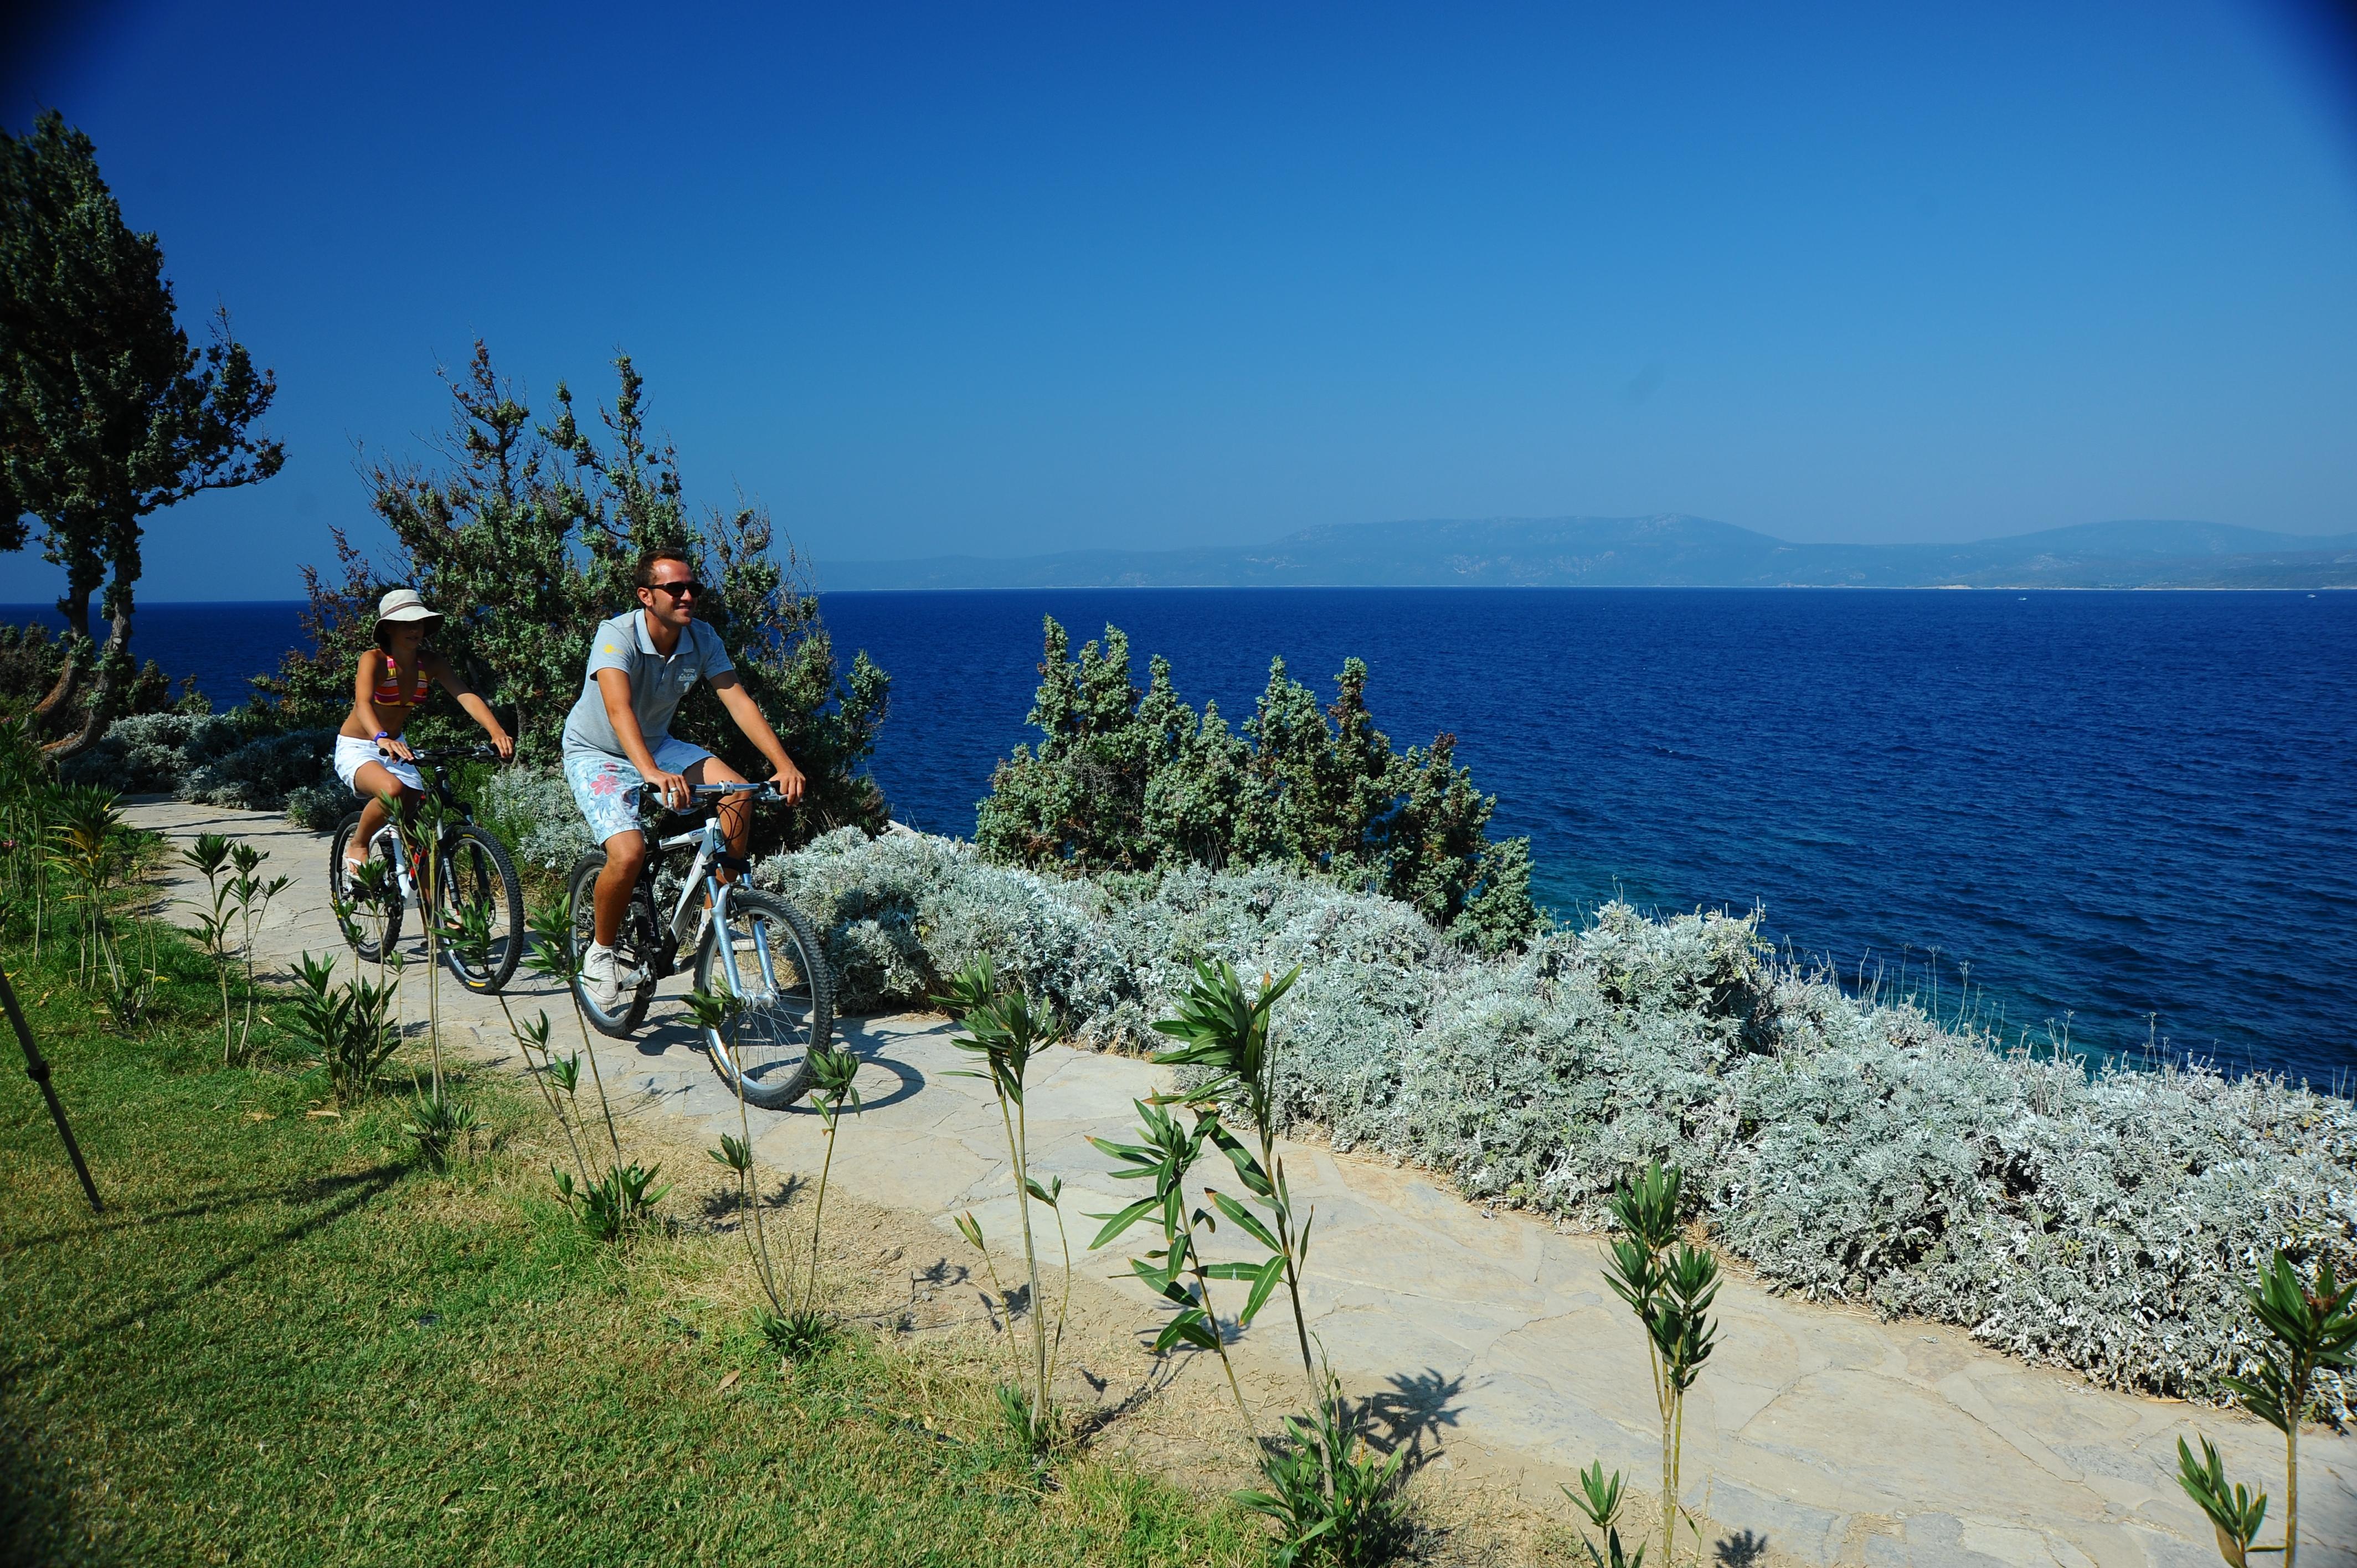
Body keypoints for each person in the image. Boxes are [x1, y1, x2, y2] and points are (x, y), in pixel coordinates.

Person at [562, 548, 806, 1009]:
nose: (688, 595)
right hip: (597, 751)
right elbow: (617, 710)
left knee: (738, 795)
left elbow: (737, 700)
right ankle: (600, 951)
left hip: (655, 744)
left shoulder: (703, 638)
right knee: (629, 851)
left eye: (694, 587)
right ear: (646, 596)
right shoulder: (618, 635)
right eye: (675, 588)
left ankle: (720, 914)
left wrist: (784, 763)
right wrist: (651, 773)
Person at [334, 587, 514, 870]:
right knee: (392, 790)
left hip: (398, 747)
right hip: (360, 746)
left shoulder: (430, 663)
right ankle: (359, 843)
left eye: (418, 622)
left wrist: (496, 732)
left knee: (423, 831)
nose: (414, 629)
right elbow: (363, 704)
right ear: (389, 628)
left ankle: (437, 910)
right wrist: (381, 738)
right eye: (406, 623)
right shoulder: (374, 660)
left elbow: (465, 695)